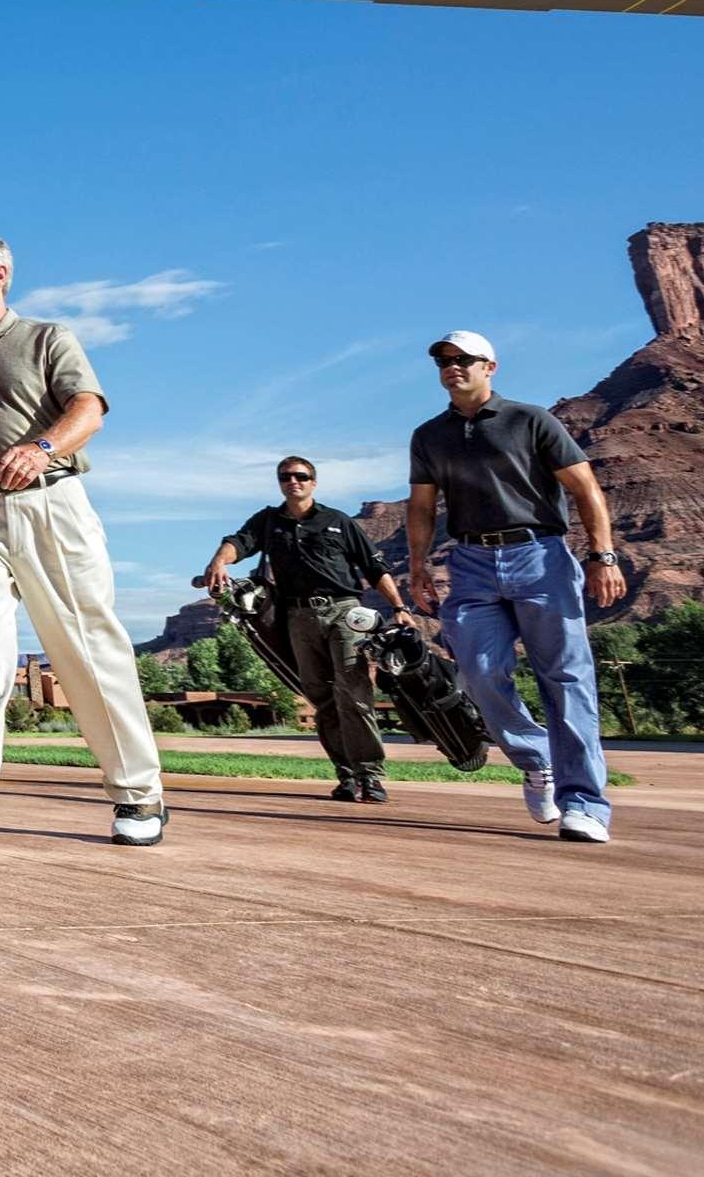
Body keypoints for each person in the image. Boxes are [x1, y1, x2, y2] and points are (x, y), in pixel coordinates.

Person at [0, 226, 167, 851]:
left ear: (0, 274)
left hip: (51, 504)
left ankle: (139, 795)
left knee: (84, 648)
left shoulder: (48, 338)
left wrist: (43, 446)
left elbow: (89, 408)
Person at [403, 330, 627, 843]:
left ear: (491, 366)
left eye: (463, 359)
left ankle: (585, 804)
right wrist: (417, 566)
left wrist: (602, 556)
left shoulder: (531, 420)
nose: (451, 367)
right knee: (479, 675)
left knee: (566, 680)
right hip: (471, 560)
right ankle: (535, 756)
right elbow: (420, 506)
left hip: (540, 556)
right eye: (442, 360)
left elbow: (585, 488)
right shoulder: (429, 435)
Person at [205, 456, 413, 803]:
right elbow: (238, 542)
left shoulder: (338, 521)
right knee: (322, 698)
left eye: (301, 476)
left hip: (345, 613)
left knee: (354, 693)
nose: (293, 482)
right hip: (298, 618)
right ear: (280, 483)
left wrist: (399, 608)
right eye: (286, 477)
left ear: (313, 482)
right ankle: (346, 776)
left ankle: (371, 776)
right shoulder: (269, 521)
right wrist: (218, 561)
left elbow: (375, 567)